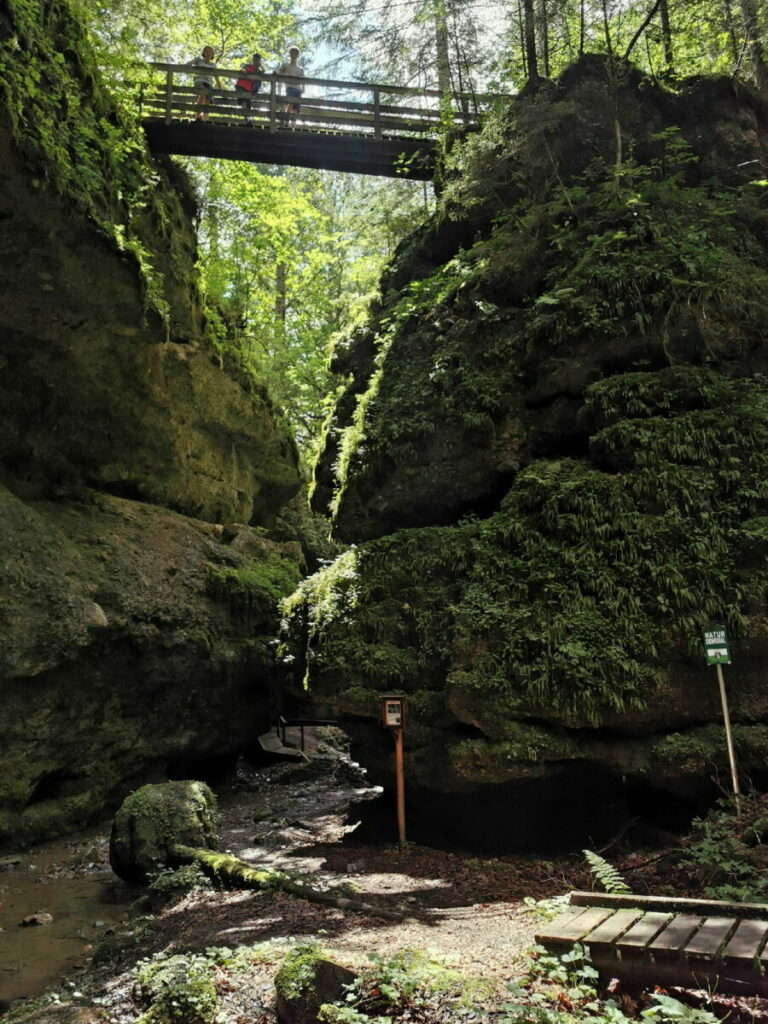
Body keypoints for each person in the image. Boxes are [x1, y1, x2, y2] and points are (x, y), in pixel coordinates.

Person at [191, 45, 219, 121]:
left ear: (212, 54)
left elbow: (217, 77)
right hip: (199, 81)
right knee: (202, 95)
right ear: (204, 53)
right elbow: (188, 64)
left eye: (210, 51)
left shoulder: (213, 65)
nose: (208, 53)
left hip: (209, 84)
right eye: (206, 51)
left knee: (208, 100)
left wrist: (220, 87)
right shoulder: (199, 60)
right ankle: (197, 117)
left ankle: (205, 119)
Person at [235, 52, 264, 124]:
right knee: (243, 102)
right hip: (241, 86)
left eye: (257, 60)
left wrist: (261, 66)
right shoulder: (248, 66)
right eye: (254, 60)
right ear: (253, 60)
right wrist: (244, 71)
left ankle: (247, 120)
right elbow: (243, 69)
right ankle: (247, 119)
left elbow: (263, 73)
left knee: (248, 105)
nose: (255, 62)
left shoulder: (258, 71)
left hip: (249, 89)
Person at [277, 46, 304, 115]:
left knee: (296, 108)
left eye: (295, 54)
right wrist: (284, 75)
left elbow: (303, 79)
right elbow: (279, 73)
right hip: (290, 87)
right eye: (292, 54)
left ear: (298, 55)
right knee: (289, 102)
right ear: (290, 55)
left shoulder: (301, 69)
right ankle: (283, 116)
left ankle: (290, 123)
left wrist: (303, 88)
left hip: (298, 89)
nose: (294, 55)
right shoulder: (285, 65)